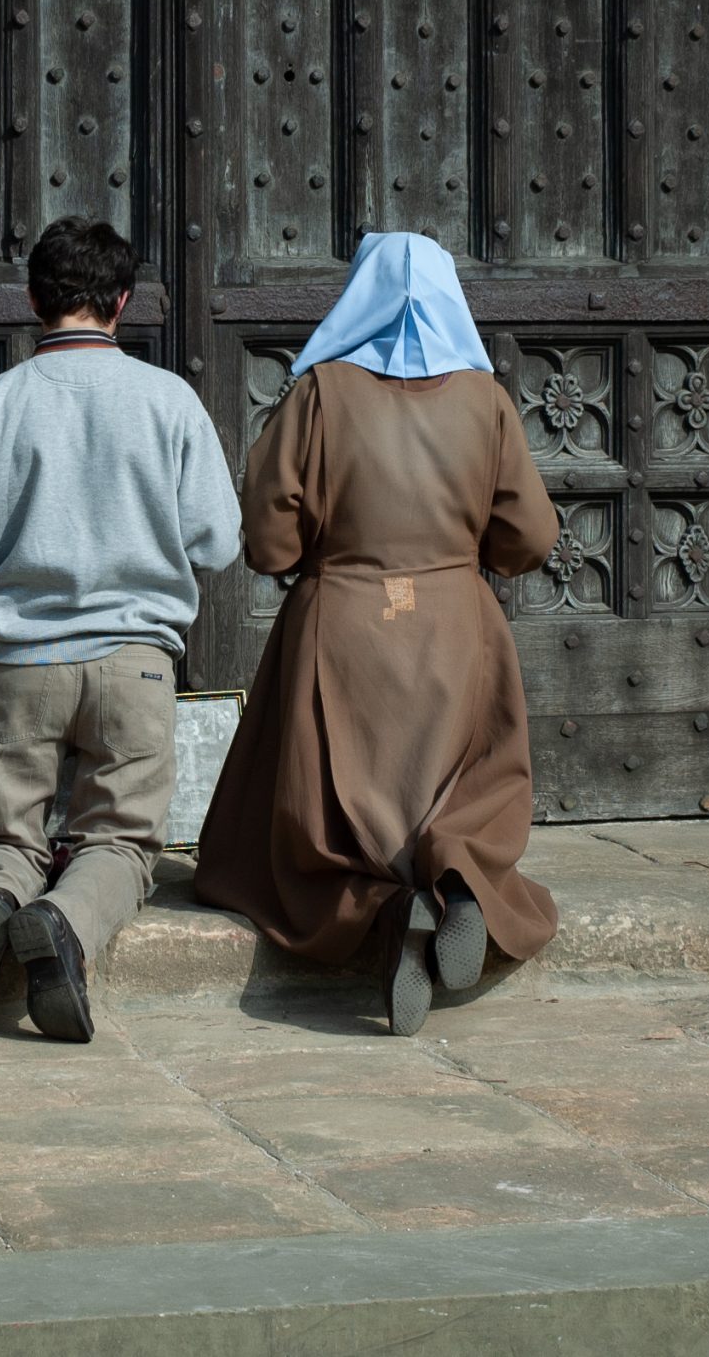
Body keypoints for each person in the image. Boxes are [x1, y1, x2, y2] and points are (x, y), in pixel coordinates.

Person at [193, 231, 561, 1035]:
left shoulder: (320, 393)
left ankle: (388, 913)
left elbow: (269, 540)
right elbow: (529, 539)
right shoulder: (484, 400)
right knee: (466, 785)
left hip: (341, 623)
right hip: (457, 627)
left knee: (315, 821)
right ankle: (456, 879)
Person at [0, 219, 242, 1042]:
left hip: (21, 663)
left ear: (33, 299)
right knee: (123, 844)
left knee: (1, 835)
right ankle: (62, 923)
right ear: (123, 303)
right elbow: (218, 539)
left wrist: (1, 590)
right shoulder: (168, 399)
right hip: (135, 664)